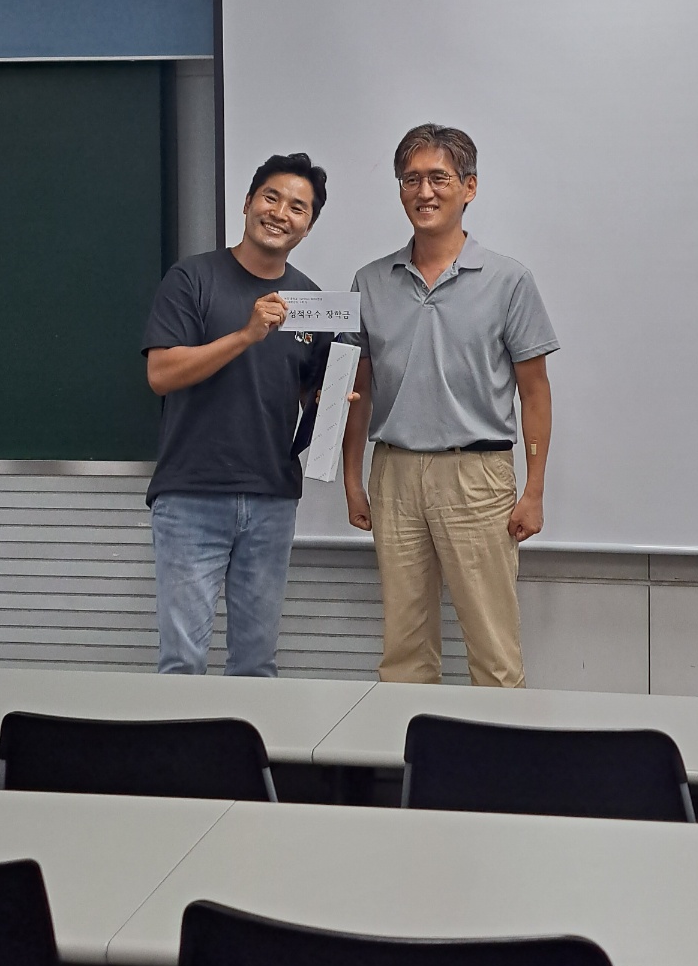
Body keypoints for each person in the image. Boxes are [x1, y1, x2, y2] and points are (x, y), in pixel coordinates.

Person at [342, 124, 557, 688]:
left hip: (477, 476)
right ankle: (414, 747)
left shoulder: (509, 280)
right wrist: (352, 479)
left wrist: (534, 490)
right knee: (404, 653)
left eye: (439, 178)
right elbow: (357, 391)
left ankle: (499, 750)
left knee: (494, 653)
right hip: (394, 474)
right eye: (410, 179)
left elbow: (535, 392)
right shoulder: (370, 282)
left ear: (470, 187)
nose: (424, 192)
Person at [143, 152, 329, 676]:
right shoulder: (192, 278)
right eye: (271, 197)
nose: (280, 213)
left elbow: (308, 393)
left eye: (298, 207)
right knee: (182, 663)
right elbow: (161, 373)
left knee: (256, 665)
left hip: (272, 498)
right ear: (247, 203)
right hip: (191, 494)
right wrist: (246, 335)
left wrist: (332, 401)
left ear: (308, 227)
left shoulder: (311, 301)